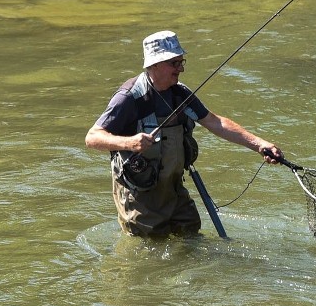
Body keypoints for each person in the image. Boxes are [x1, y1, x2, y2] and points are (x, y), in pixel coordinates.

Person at [85, 30, 282, 237]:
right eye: (174, 63)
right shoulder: (129, 98)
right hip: (139, 197)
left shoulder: (180, 94)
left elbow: (215, 122)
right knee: (151, 249)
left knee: (191, 234)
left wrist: (259, 144)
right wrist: (130, 143)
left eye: (181, 62)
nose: (180, 69)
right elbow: (92, 137)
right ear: (154, 64)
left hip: (174, 190)